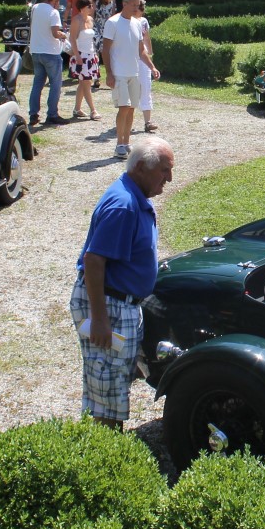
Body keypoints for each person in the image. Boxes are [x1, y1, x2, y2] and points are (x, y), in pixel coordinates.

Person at [69, 137, 175, 429]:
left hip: (123, 303)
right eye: (164, 170)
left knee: (120, 376)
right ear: (141, 167)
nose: (169, 178)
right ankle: (104, 454)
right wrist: (100, 319)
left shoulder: (135, 197)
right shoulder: (124, 205)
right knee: (108, 392)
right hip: (109, 304)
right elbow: (93, 261)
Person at [103, 0, 159, 159]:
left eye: (138, 5)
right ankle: (119, 144)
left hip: (134, 72)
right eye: (134, 5)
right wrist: (109, 73)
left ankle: (126, 142)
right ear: (125, 4)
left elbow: (141, 49)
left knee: (132, 109)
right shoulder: (112, 22)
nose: (137, 8)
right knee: (123, 108)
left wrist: (152, 67)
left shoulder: (137, 23)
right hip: (119, 73)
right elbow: (105, 49)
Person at [27, 0, 68, 126]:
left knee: (37, 83)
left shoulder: (36, 8)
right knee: (55, 84)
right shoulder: (53, 12)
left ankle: (33, 114)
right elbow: (55, 33)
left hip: (36, 50)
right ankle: (52, 114)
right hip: (50, 51)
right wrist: (64, 35)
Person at [69, 0, 99, 119]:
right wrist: (77, 56)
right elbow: (72, 38)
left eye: (92, 5)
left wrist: (95, 53)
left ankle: (77, 109)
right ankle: (93, 110)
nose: (91, 8)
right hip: (81, 54)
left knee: (84, 83)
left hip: (90, 53)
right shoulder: (76, 20)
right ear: (82, 8)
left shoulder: (90, 19)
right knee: (86, 82)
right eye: (89, 6)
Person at [136, 0, 158, 133]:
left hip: (142, 57)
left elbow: (146, 37)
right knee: (130, 88)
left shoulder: (143, 22)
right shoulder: (124, 21)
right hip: (130, 58)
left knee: (145, 86)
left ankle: (147, 122)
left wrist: (150, 52)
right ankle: (125, 120)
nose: (140, 11)